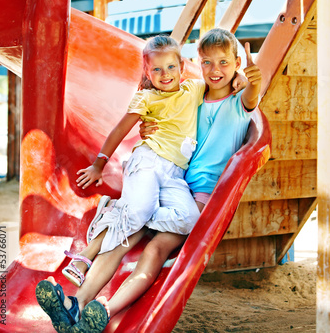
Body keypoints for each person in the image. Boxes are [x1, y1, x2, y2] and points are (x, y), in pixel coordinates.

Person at [36, 28, 261, 333]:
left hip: (197, 197)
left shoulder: (237, 102)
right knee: (130, 231)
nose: (214, 70)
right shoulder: (192, 93)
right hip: (172, 183)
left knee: (151, 243)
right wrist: (144, 130)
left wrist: (250, 80)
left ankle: (104, 308)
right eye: (207, 63)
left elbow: (250, 97)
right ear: (196, 63)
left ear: (235, 63)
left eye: (223, 63)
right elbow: (161, 102)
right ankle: (77, 302)